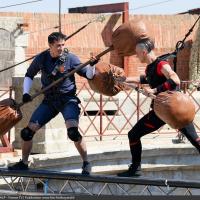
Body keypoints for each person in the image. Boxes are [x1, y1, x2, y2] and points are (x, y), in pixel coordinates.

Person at [8, 32, 98, 175]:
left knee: (73, 133)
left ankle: (86, 163)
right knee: (27, 132)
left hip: (68, 100)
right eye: (58, 45)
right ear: (50, 46)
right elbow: (29, 74)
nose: (61, 48)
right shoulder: (42, 58)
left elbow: (89, 75)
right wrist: (25, 93)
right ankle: (24, 163)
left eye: (63, 45)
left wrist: (92, 66)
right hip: (49, 101)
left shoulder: (71, 58)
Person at [116, 38, 200, 177]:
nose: (136, 56)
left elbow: (175, 80)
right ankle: (135, 168)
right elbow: (145, 79)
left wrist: (154, 91)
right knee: (133, 135)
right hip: (160, 112)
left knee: (195, 140)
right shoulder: (150, 68)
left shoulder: (161, 64)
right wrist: (124, 80)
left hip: (175, 110)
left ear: (144, 52)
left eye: (137, 53)